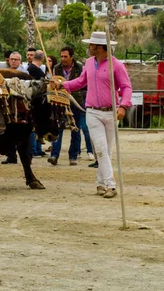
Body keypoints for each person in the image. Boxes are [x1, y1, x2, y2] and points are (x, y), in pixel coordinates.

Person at [56, 32, 132, 198]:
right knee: (101, 149)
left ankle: (100, 183)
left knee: (106, 151)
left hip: (111, 112)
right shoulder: (89, 63)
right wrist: (63, 85)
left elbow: (126, 87)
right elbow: (81, 81)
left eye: (91, 45)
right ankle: (111, 185)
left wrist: (124, 106)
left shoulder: (116, 65)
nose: (88, 47)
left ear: (99, 47)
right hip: (92, 112)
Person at [48, 46, 86, 166]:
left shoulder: (80, 67)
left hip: (75, 100)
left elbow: (83, 83)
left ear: (71, 57)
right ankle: (54, 155)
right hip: (59, 101)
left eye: (65, 56)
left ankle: (73, 156)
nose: (63, 59)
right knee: (58, 128)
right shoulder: (56, 68)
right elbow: (52, 84)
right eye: (61, 56)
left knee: (75, 128)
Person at [27, 51, 46, 157]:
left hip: (36, 101)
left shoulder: (32, 68)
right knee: (34, 125)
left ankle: (37, 149)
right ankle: (34, 149)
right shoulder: (35, 70)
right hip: (35, 101)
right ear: (42, 60)